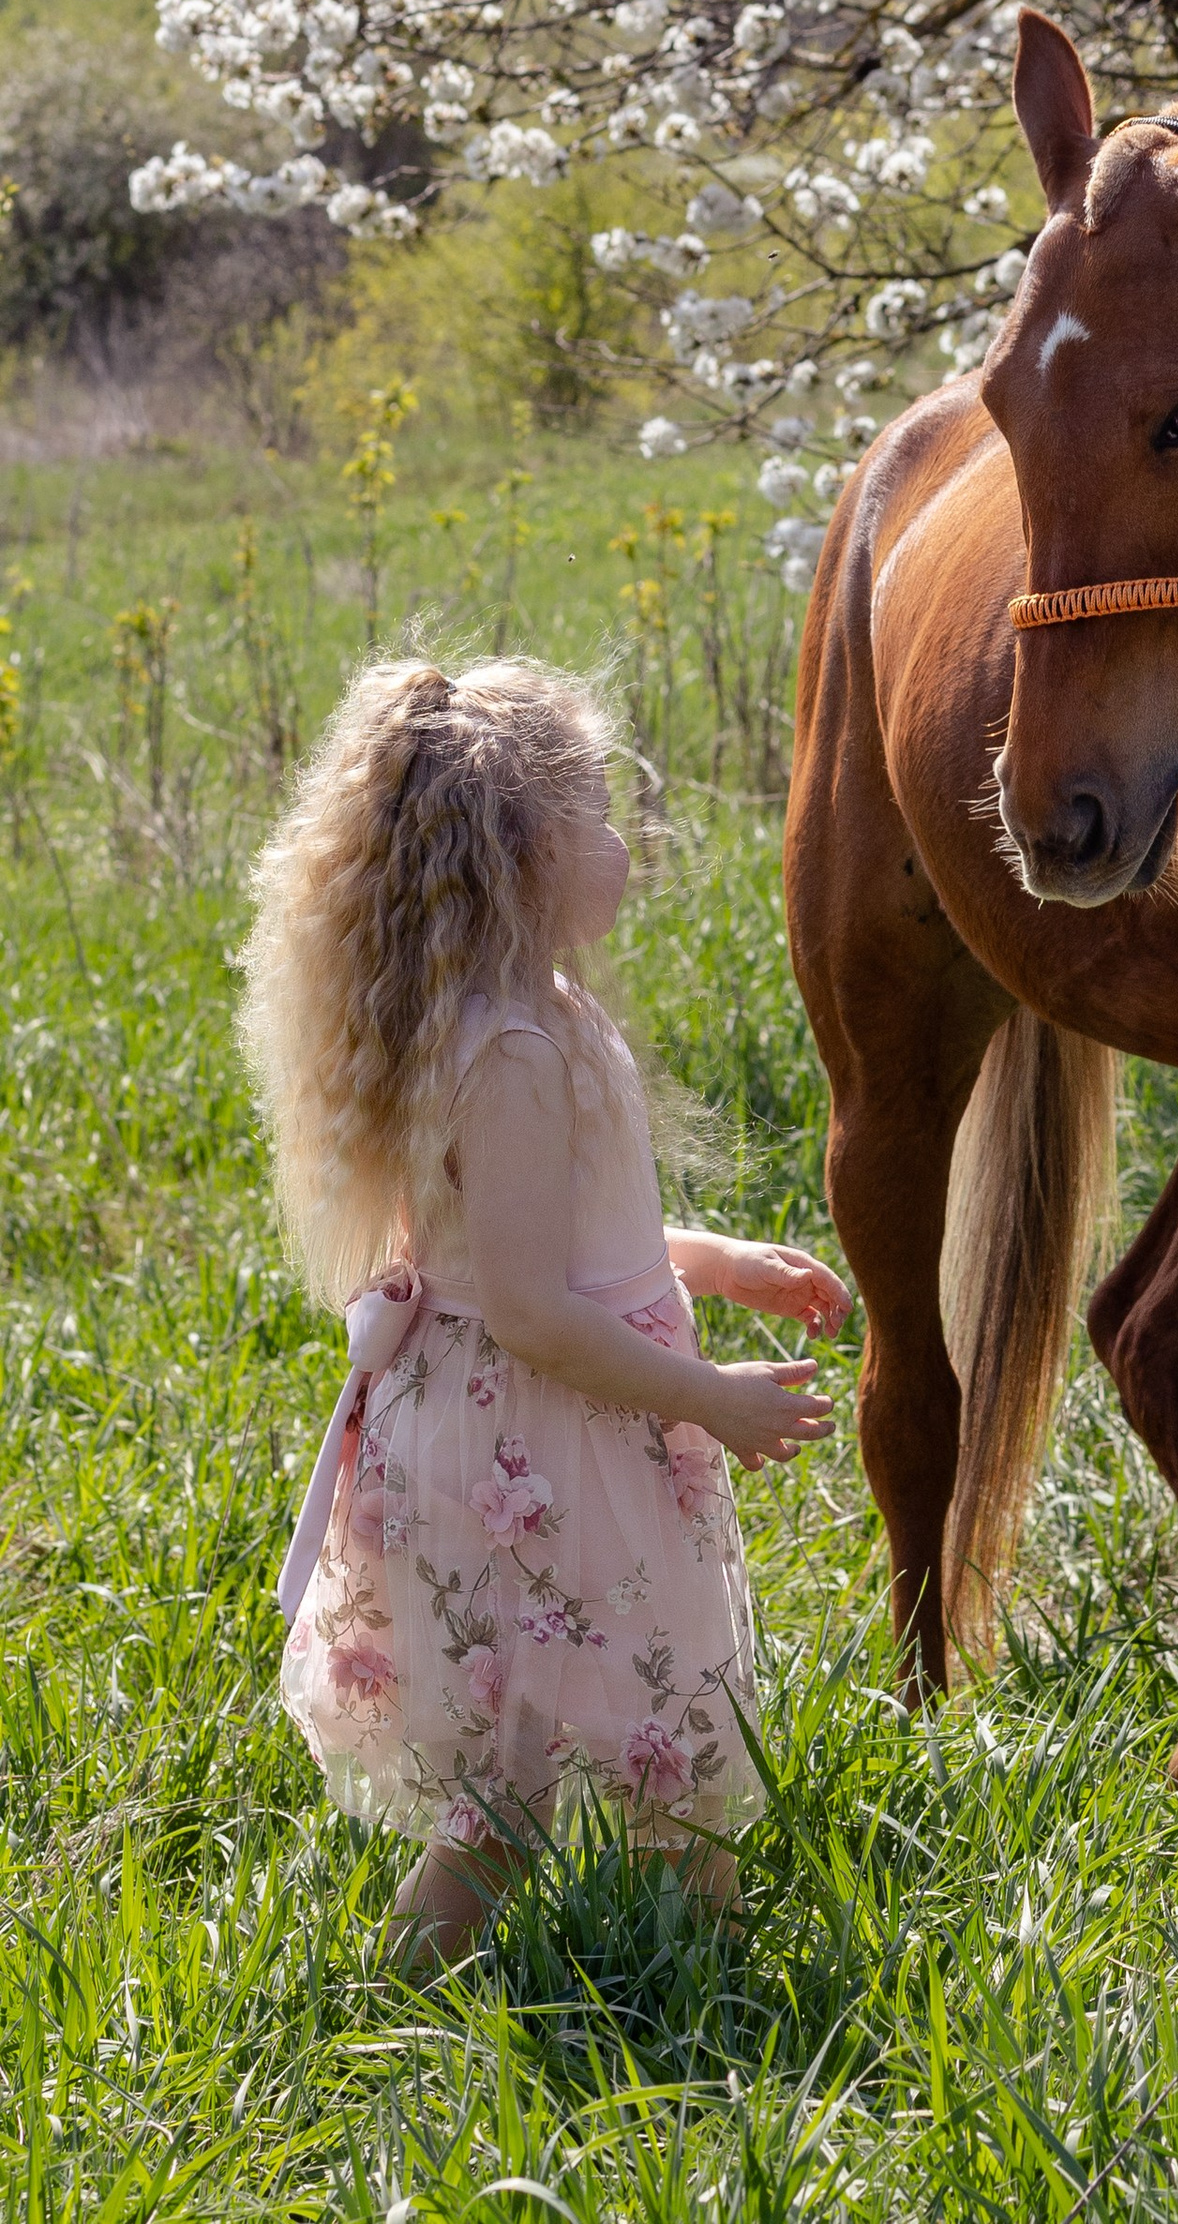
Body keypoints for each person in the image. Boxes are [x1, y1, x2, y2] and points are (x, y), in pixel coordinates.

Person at [243, 654, 848, 1965]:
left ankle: (633, 1975)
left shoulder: (531, 1016)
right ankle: (708, 1992)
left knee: (534, 1774)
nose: (627, 848)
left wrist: (719, 1262)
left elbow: (556, 1243)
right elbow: (529, 1310)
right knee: (643, 1741)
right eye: (597, 819)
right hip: (551, 1437)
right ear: (516, 856)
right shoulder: (507, 1052)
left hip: (527, 1418)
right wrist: (714, 1400)